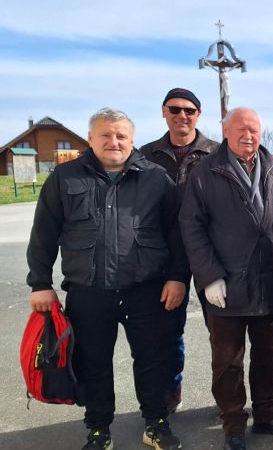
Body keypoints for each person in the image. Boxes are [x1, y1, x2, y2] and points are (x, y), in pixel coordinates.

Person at [26, 108, 186, 450]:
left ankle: (156, 423)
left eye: (121, 136)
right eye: (106, 135)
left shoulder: (156, 179)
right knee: (93, 363)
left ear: (132, 140)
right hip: (89, 291)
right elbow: (43, 233)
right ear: (90, 139)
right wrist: (40, 283)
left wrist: (177, 278)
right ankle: (99, 429)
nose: (114, 141)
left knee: (152, 360)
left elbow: (177, 234)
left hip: (146, 290)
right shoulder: (65, 178)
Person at [179, 107, 273, 450]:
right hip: (226, 284)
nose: (248, 135)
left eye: (254, 129)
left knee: (268, 355)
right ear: (225, 131)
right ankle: (233, 423)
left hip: (267, 282)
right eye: (241, 129)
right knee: (227, 361)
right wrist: (209, 276)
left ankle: (266, 414)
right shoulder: (205, 171)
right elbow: (191, 227)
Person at [139, 87, 219, 414]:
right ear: (164, 112)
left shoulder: (217, 154)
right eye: (174, 109)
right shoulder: (144, 156)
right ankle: (170, 393)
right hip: (164, 257)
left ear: (198, 115)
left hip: (209, 254)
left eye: (189, 110)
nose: (182, 115)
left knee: (222, 333)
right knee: (167, 332)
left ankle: (226, 398)